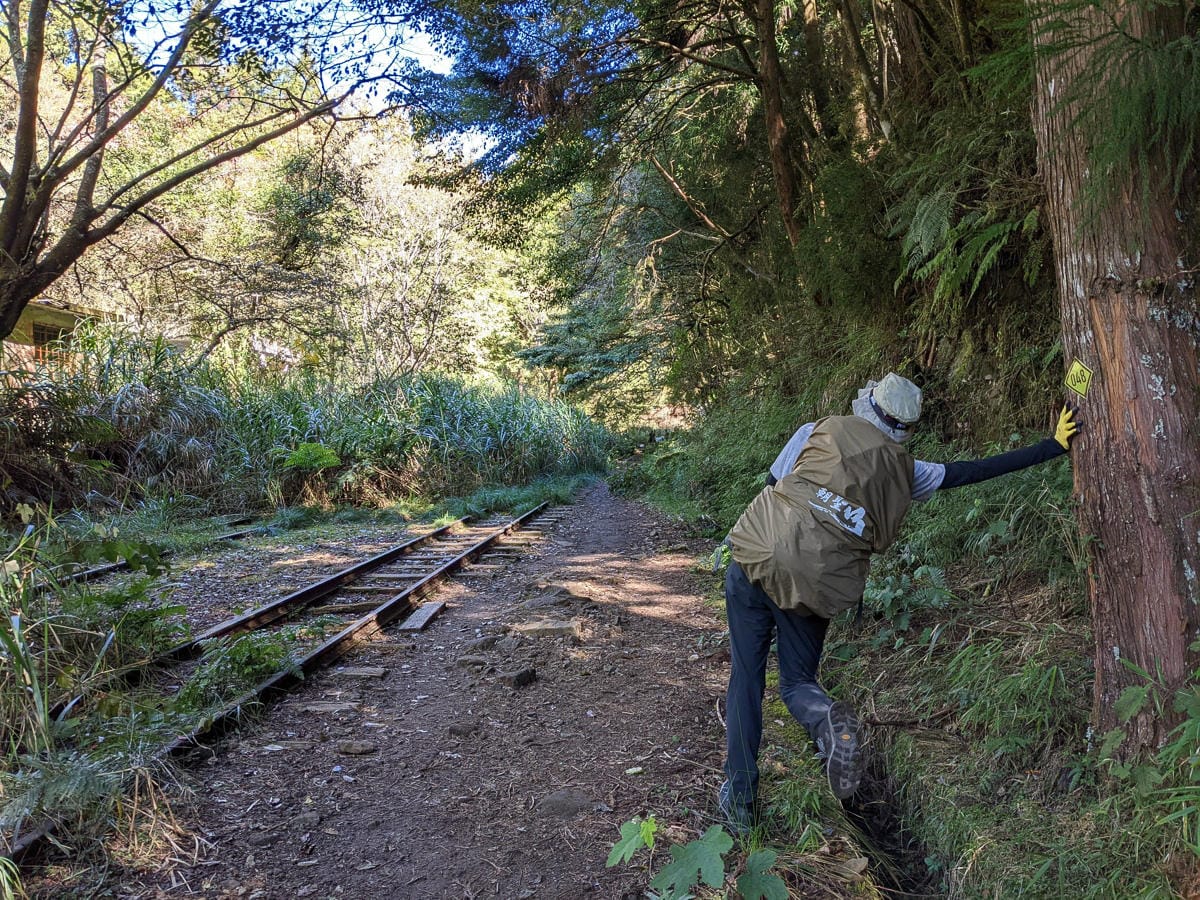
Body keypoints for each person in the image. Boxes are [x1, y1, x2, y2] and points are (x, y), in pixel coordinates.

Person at [717, 373, 1079, 834]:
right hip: (819, 583)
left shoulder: (817, 430)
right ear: (905, 429)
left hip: (757, 557)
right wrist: (1053, 445)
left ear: (867, 405)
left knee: (747, 677)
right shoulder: (910, 473)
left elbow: (774, 485)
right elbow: (973, 470)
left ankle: (741, 804)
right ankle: (827, 722)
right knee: (797, 682)